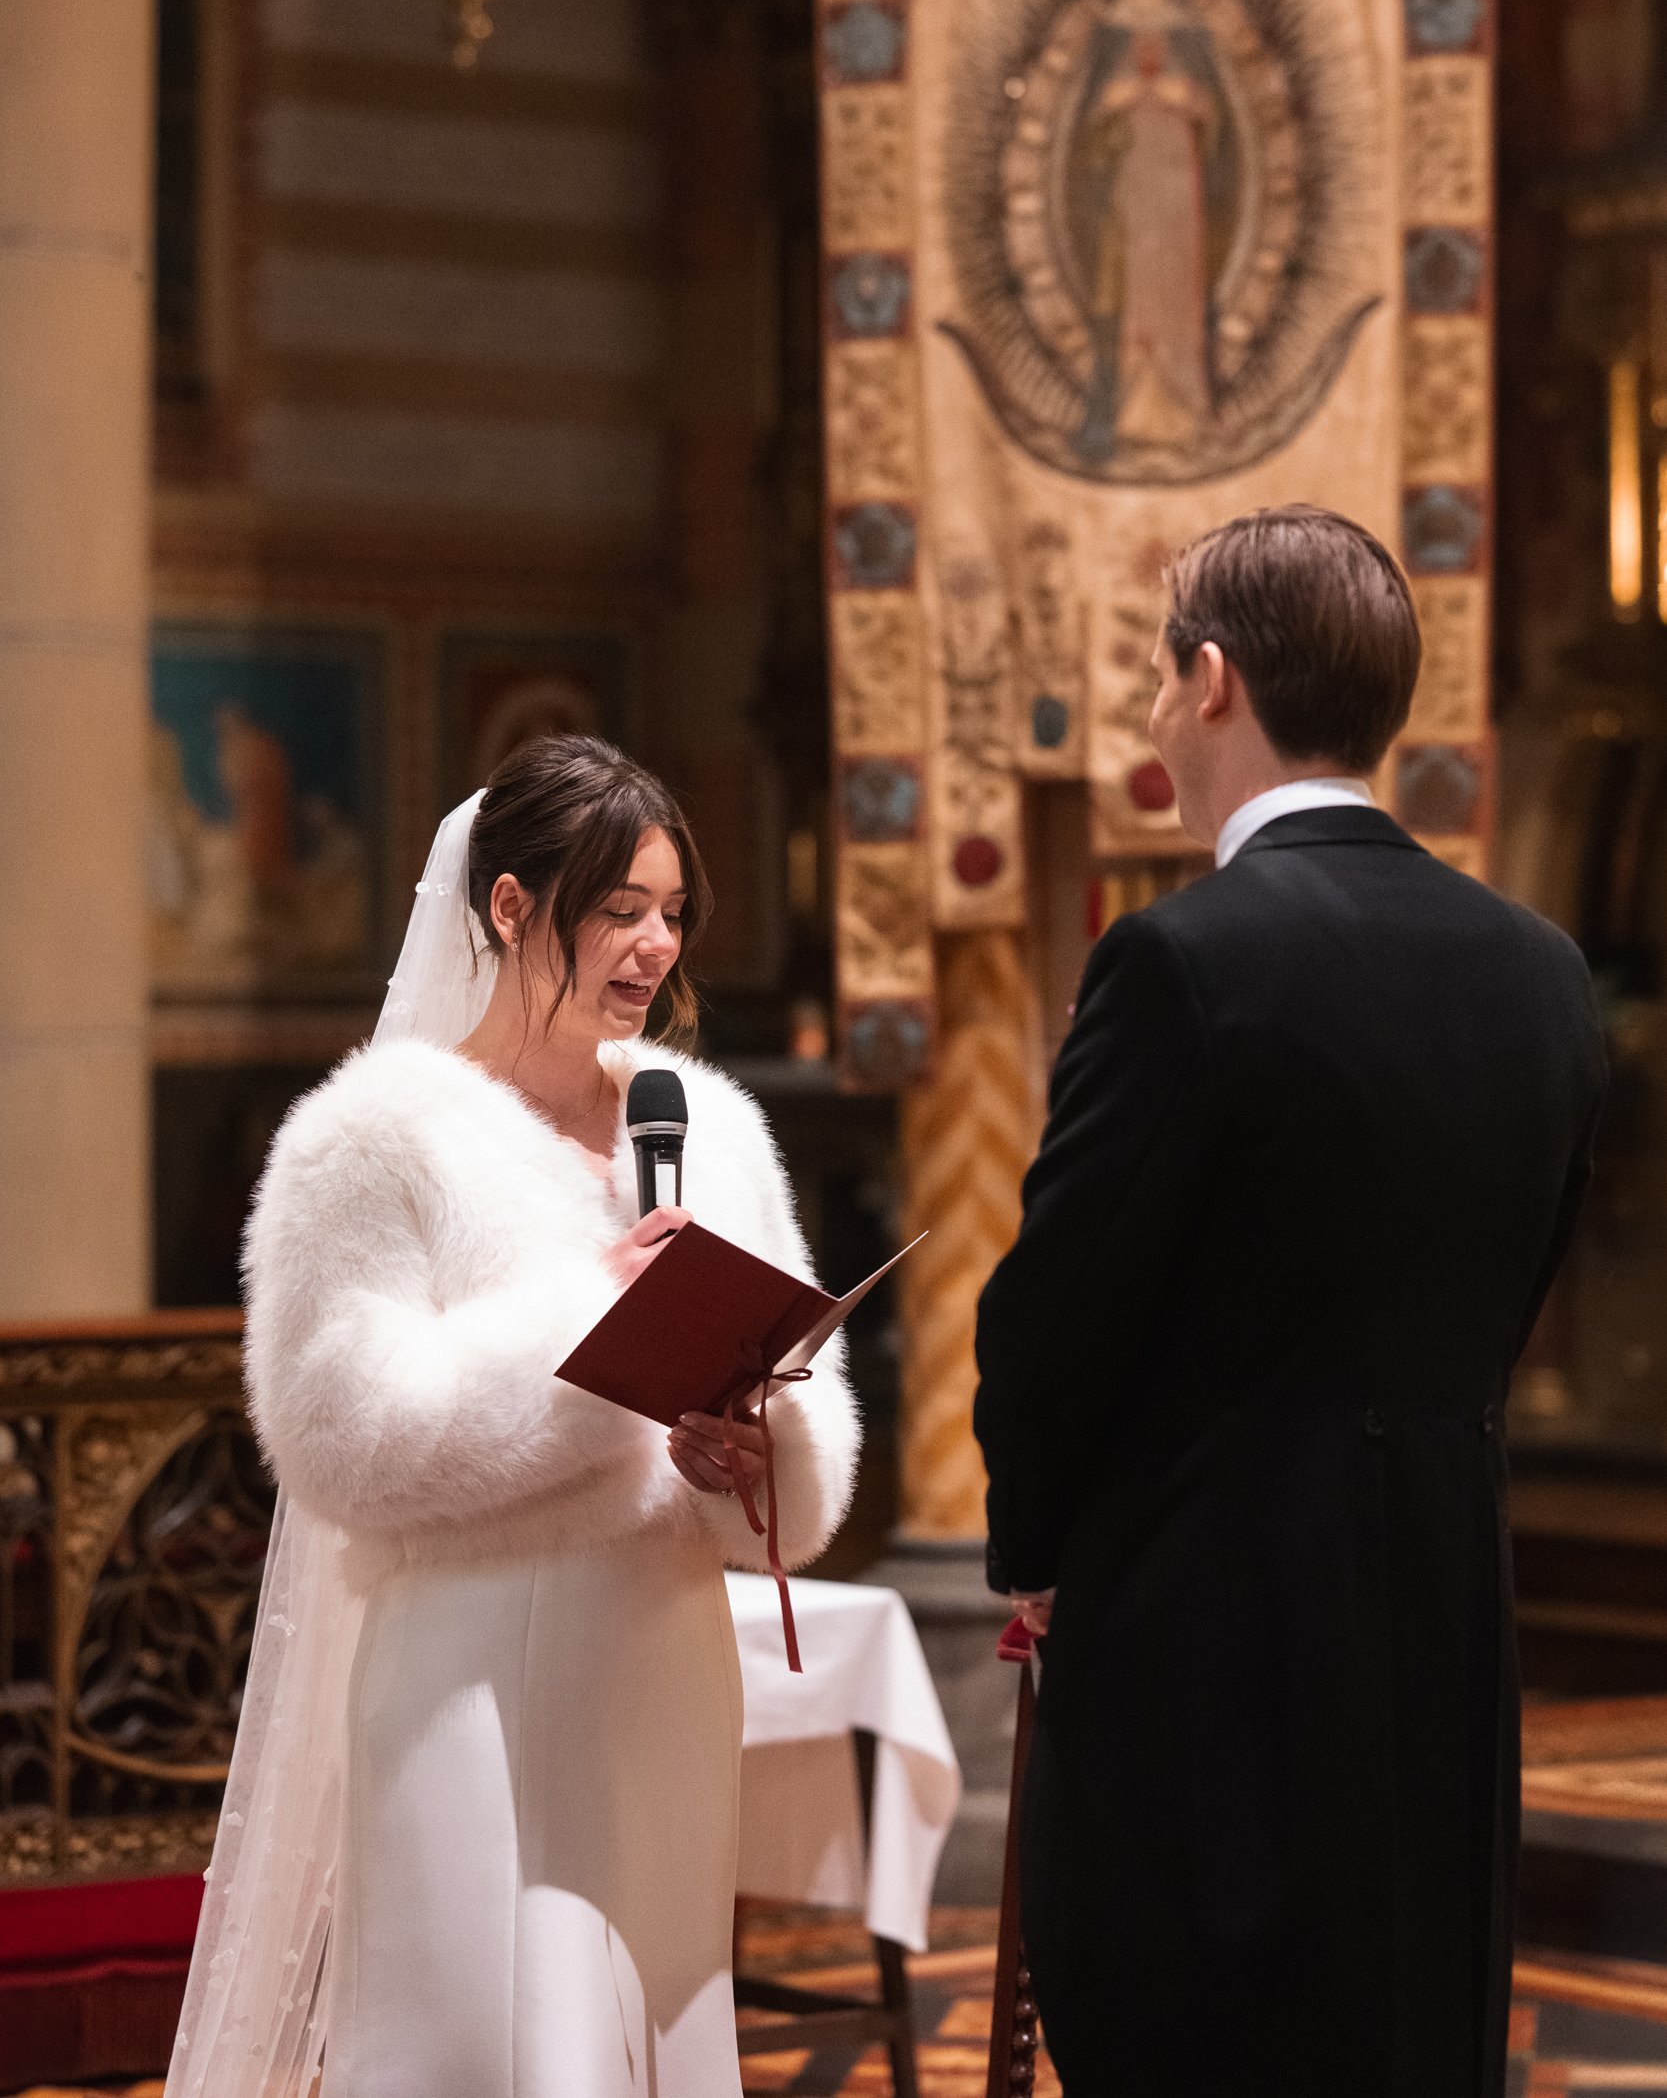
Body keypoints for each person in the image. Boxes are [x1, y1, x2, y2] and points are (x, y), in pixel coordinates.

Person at [974, 506, 1606, 2098]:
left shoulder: (1182, 963)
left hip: (1213, 1623)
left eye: (1155, 679)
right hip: (1449, 1604)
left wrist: (1035, 1551)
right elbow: (1524, 1274)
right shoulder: (1539, 968)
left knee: (1202, 2043)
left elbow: (1057, 1315)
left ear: (1207, 681)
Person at [167, 734, 860, 2098]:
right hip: (466, 1684)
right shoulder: (375, 1138)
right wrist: (586, 1332)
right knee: (483, 2050)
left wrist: (753, 1452)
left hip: (659, 1674)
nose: (655, 947)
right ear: (508, 907)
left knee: (653, 2046)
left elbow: (809, 1415)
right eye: (618, 910)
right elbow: (334, 1435)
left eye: (672, 915)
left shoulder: (705, 1129)